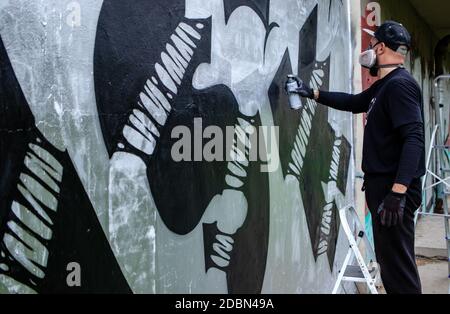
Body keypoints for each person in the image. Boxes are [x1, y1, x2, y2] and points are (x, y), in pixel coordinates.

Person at [287, 21, 425, 294]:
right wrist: (312, 92)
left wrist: (397, 194)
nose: (369, 49)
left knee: (399, 269)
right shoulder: (385, 86)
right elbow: (353, 102)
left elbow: (414, 140)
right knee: (391, 265)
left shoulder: (399, 87)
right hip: (385, 189)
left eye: (372, 44)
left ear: (382, 47)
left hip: (392, 192)